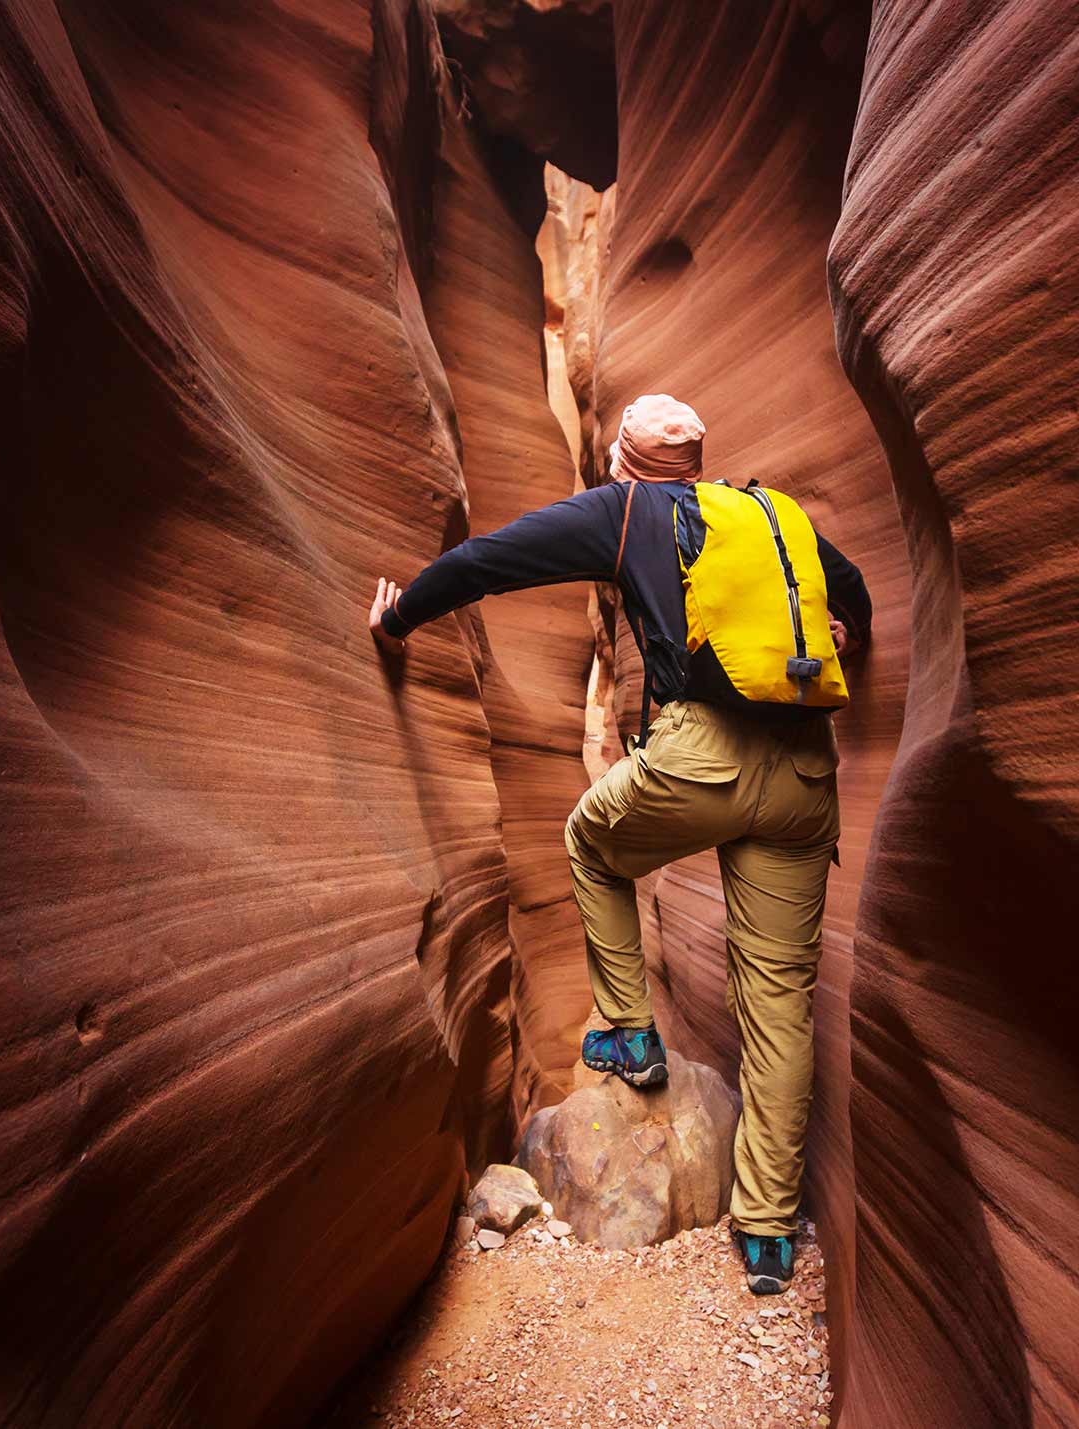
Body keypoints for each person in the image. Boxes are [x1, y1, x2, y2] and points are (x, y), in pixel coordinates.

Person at [367, 393, 870, 1295]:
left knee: (590, 841)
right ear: (698, 463)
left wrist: (402, 616)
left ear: (624, 464)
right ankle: (765, 1234)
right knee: (780, 1002)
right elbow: (854, 589)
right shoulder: (767, 515)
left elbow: (492, 559)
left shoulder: (626, 509)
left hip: (704, 755)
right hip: (804, 773)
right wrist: (849, 633)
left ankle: (631, 1032)